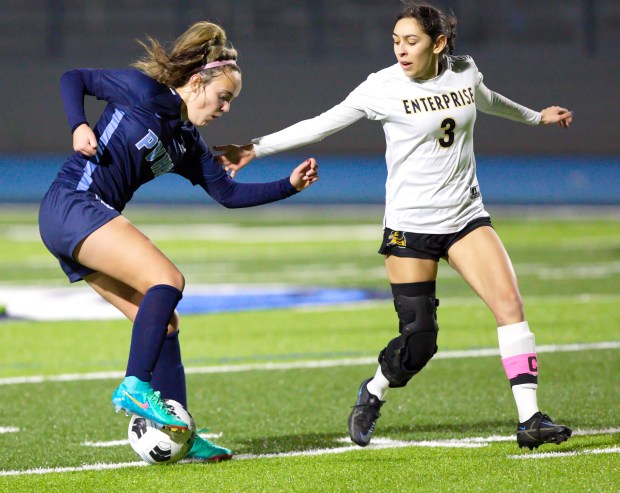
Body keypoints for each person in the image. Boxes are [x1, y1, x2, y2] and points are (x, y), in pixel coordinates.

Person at [214, 3, 573, 450]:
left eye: (412, 41)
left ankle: (529, 419)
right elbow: (322, 124)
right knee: (420, 341)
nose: (401, 50)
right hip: (410, 227)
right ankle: (374, 391)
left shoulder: (464, 71)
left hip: (465, 216)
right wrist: (254, 148)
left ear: (438, 43)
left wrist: (537, 117)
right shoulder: (380, 87)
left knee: (510, 306)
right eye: (396, 41)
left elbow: (488, 100)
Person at [38, 21, 318, 462]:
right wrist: (78, 125)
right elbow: (74, 78)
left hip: (80, 218)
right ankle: (134, 386)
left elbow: (228, 195)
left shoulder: (187, 143)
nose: (226, 107)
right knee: (166, 279)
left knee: (165, 323)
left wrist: (289, 185)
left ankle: (181, 431)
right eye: (223, 96)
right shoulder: (142, 91)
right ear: (195, 82)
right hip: (72, 203)